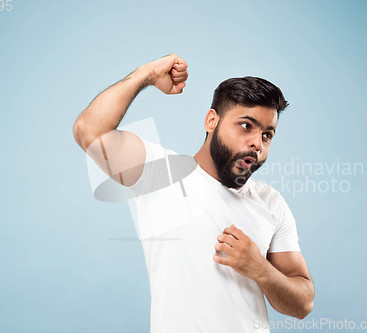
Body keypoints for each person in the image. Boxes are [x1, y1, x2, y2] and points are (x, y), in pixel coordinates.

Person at [72, 53, 314, 332]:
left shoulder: (271, 202)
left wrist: (259, 268)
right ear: (212, 121)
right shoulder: (160, 174)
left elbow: (303, 304)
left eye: (266, 135)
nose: (256, 143)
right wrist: (146, 75)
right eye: (246, 126)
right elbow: (88, 130)